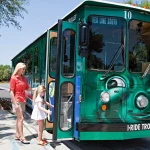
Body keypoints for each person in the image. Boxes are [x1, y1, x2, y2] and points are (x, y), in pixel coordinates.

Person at [10, 62, 35, 144]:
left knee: (18, 118)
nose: (24, 70)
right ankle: (22, 137)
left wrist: (36, 89)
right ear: (18, 68)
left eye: (25, 69)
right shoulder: (14, 78)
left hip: (23, 100)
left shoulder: (23, 78)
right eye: (23, 68)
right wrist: (15, 103)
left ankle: (17, 135)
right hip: (17, 100)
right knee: (21, 119)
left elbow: (28, 88)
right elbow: (11, 91)